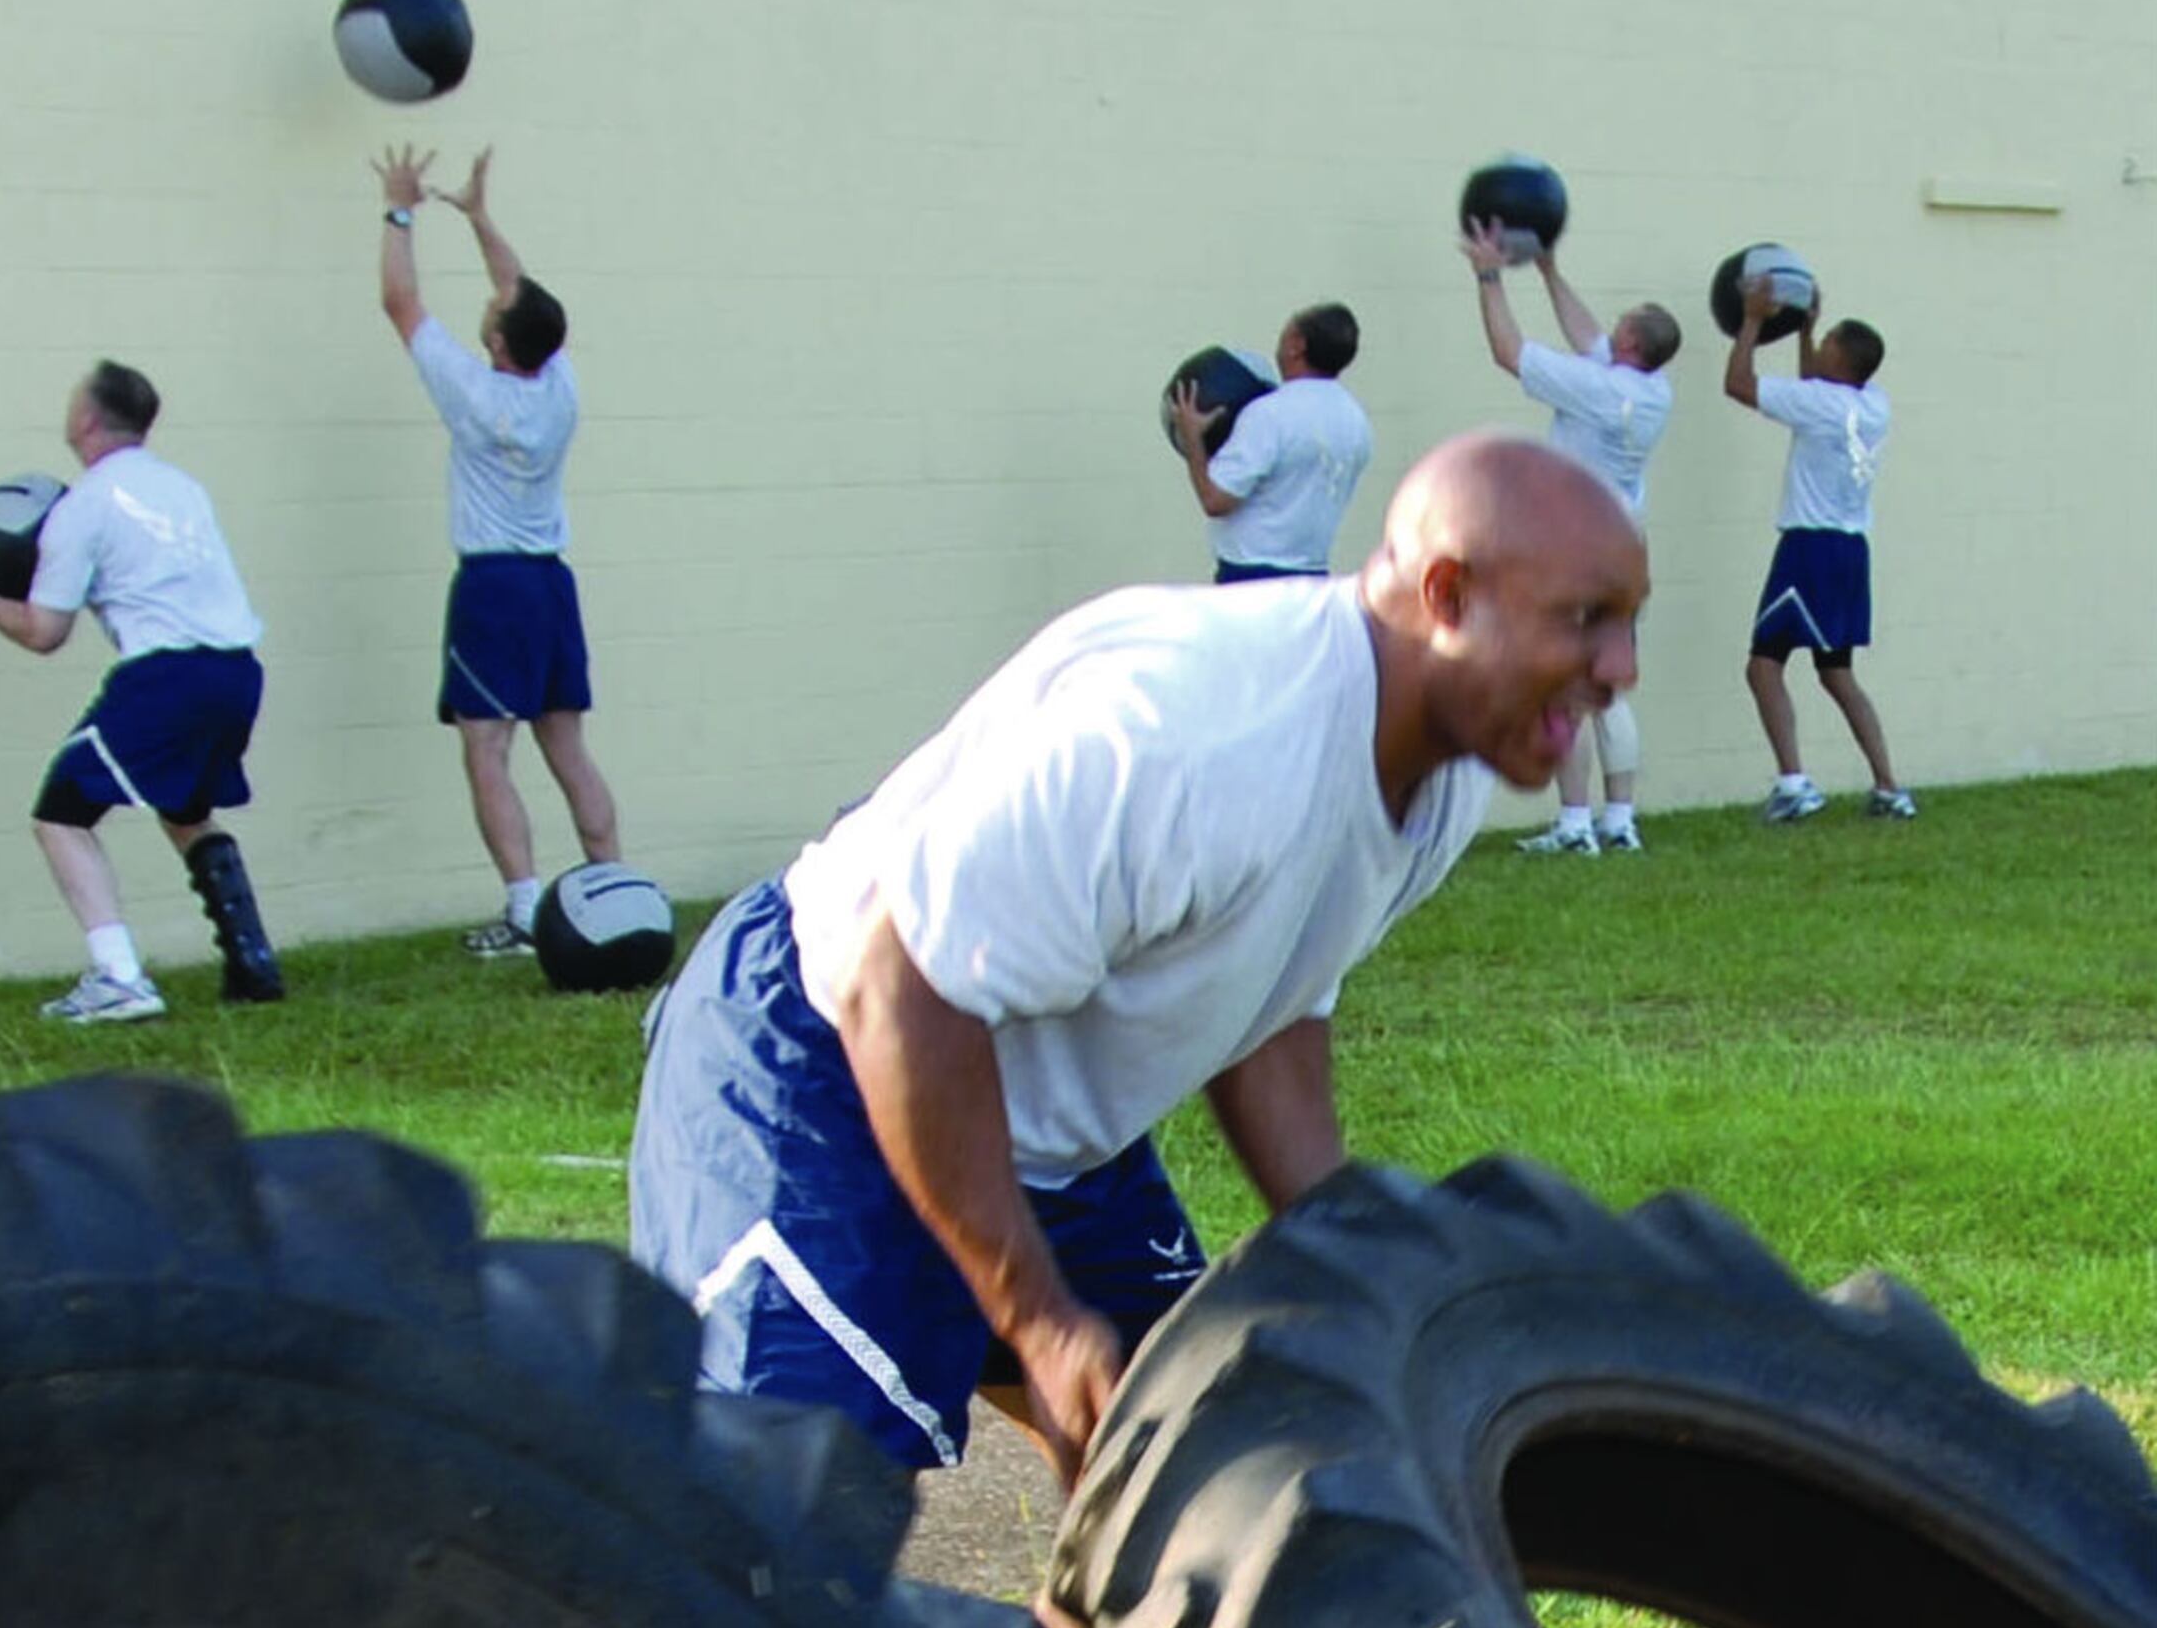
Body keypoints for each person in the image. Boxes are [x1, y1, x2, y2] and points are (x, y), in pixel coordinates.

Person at [632, 432, 1645, 1489]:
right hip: (826, 1058)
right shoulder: (1199, 735)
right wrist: (1039, 1314)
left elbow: (1269, 1005)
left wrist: (1357, 1252)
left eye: (1628, 622)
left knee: (1186, 1478)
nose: (1622, 668)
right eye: (1585, 619)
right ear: (1447, 594)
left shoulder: (1440, 771)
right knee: (774, 1547)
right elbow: (899, 985)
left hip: (1046, 1123)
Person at [0, 361, 286, 1017]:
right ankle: (254, 964)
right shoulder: (183, 488)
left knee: (60, 815)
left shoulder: (85, 506)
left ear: (86, 419)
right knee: (186, 812)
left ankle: (120, 979)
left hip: (168, 676)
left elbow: (45, 633)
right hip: (238, 671)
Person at [371, 143, 625, 957]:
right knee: (566, 744)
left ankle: (522, 909)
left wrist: (401, 207)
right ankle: (615, 884)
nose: (490, 301)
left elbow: (399, 300)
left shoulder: (477, 394)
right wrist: (480, 217)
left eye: (493, 309)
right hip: (552, 586)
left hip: (492, 586)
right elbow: (522, 295)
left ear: (501, 342)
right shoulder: (560, 383)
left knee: (487, 744)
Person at [1467, 221, 1679, 855]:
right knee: (1607, 685)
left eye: (1621, 324)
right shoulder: (1651, 390)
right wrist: (1551, 272)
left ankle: (1576, 823)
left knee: (1565, 687)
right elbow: (1590, 337)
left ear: (1632, 341)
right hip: (1624, 553)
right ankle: (1620, 819)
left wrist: (1488, 277)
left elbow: (1509, 351)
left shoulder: (1596, 388)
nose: (1607, 328)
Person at [1727, 274, 1907, 822]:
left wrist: (1754, 320)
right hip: (1852, 552)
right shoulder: (1873, 402)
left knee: (1763, 667)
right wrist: (1805, 331)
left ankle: (1794, 784)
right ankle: (1888, 788)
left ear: (1842, 362)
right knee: (1836, 673)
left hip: (1809, 549)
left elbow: (1738, 383)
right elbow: (1815, 384)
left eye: (1827, 343)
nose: (1819, 347)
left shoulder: (1817, 403)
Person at [1170, 302, 1373, 582]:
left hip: (1250, 579)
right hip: (1313, 577)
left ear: (1296, 345)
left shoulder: (1269, 414)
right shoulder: (1356, 420)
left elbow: (1215, 501)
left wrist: (1193, 438)